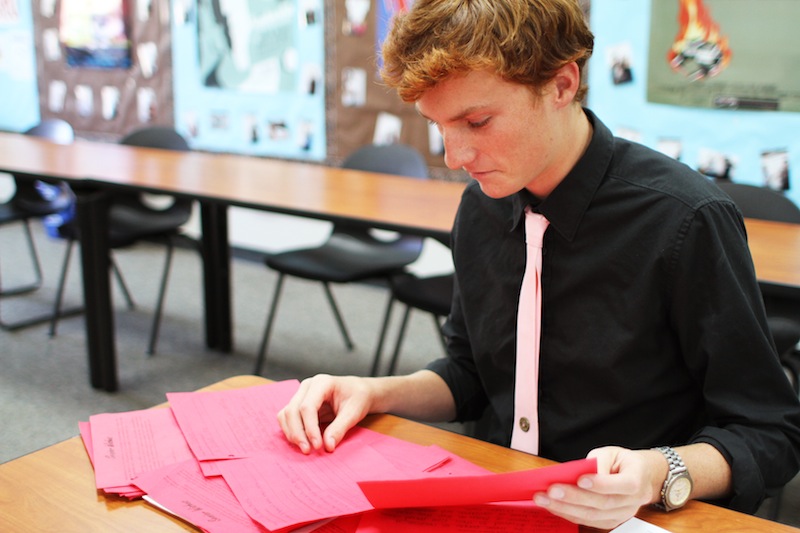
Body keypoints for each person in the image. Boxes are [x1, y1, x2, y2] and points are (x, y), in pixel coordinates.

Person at [278, 0, 800, 529]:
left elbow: (769, 430)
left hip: (638, 517)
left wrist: (658, 471)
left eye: (476, 121)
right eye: (438, 127)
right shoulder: (482, 207)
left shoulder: (683, 219)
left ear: (561, 85)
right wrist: (372, 391)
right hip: (498, 500)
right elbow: (471, 374)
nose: (454, 156)